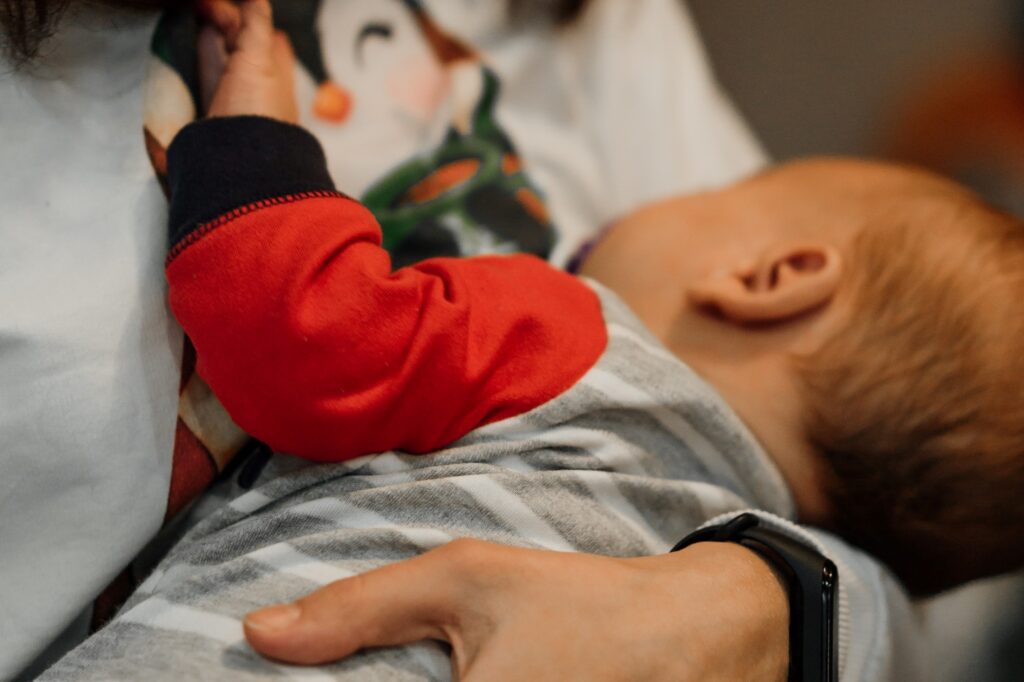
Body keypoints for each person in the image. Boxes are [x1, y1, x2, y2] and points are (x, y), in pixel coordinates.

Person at [45, 2, 1024, 679]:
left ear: (767, 280)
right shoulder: (707, 525)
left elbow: (306, 338)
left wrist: (256, 138)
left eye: (724, 200)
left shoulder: (576, 333)